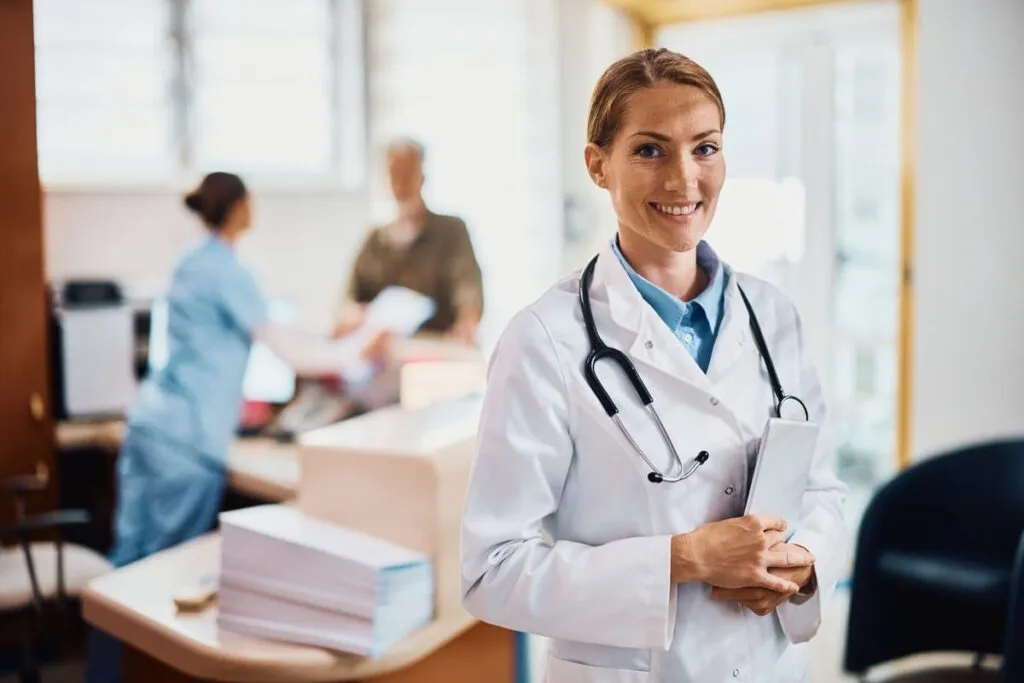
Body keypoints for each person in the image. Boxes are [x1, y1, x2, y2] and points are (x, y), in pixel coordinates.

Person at [460, 49, 847, 682]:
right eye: (649, 150)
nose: (684, 180)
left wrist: (803, 560)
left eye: (705, 148)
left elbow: (823, 489)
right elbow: (491, 571)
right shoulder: (544, 341)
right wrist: (682, 559)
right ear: (597, 165)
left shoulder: (773, 315)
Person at [84, 172, 388, 683]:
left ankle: (102, 674)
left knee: (123, 576)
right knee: (157, 587)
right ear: (238, 209)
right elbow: (286, 349)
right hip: (187, 441)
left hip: (152, 427)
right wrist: (358, 348)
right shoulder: (227, 270)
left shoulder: (191, 260)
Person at [334, 138, 484, 345]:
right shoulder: (375, 240)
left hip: (435, 347)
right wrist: (351, 317)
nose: (400, 184)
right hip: (382, 353)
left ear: (422, 176)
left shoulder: (451, 232)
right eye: (394, 174)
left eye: (407, 173)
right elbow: (350, 300)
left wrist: (467, 323)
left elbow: (468, 288)